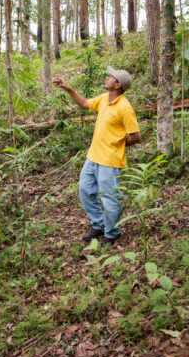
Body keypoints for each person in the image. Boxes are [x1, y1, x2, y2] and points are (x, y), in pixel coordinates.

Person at [53, 66, 141, 247]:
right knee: (85, 190)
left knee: (109, 198)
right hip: (93, 157)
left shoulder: (124, 107)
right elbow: (85, 104)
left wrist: (116, 144)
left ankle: (112, 232)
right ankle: (99, 224)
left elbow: (136, 136)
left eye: (111, 77)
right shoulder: (103, 99)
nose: (107, 78)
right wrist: (67, 88)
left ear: (118, 85)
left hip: (110, 160)